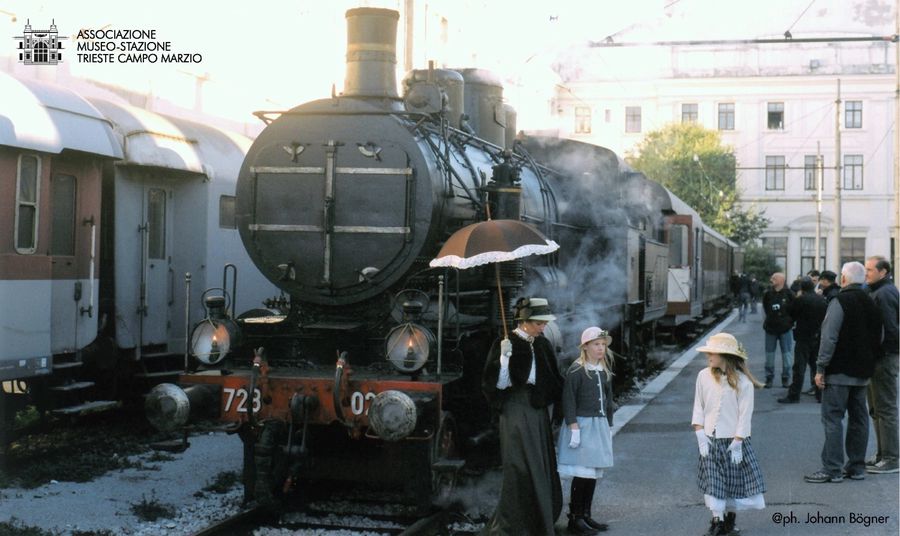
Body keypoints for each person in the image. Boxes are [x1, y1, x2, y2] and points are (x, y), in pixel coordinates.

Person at [481, 297, 564, 535]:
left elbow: (553, 379)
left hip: (536, 411)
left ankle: (539, 519)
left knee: (540, 462)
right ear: (525, 322)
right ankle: (514, 524)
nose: (544, 327)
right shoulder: (504, 343)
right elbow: (496, 385)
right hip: (514, 408)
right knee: (518, 464)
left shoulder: (542, 344)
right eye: (540, 323)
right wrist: (504, 360)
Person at [804, 262, 883, 483]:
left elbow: (829, 337)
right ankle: (857, 467)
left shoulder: (839, 301)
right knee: (859, 419)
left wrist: (820, 368)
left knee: (833, 419)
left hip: (838, 371)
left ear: (844, 279)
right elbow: (881, 336)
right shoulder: (871, 302)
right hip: (863, 373)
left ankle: (832, 469)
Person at [692, 332, 766, 536]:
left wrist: (738, 441)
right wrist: (699, 431)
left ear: (725, 355)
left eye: (712, 353)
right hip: (710, 440)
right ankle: (717, 521)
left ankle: (729, 521)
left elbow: (745, 416)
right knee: (714, 482)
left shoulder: (744, 383)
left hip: (733, 442)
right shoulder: (703, 376)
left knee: (734, 483)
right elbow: (699, 405)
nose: (708, 357)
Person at [558, 327, 616, 535]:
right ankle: (575, 518)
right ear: (586, 347)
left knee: (592, 472)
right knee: (582, 473)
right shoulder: (577, 370)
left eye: (603, 345)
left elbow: (609, 400)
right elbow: (569, 399)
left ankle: (586, 514)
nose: (601, 349)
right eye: (596, 345)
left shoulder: (603, 369)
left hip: (598, 425)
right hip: (582, 426)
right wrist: (573, 426)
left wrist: (609, 424)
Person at [864, 256, 899, 474]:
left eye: (869, 269)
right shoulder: (879, 291)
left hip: (883, 358)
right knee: (877, 409)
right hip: (878, 357)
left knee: (884, 408)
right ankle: (882, 454)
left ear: (883, 271)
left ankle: (892, 458)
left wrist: (880, 352)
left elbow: (890, 329)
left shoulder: (884, 293)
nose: (866, 273)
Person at [779, 277, 826, 403]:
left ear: (802, 288)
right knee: (816, 366)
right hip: (818, 336)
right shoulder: (821, 299)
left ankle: (794, 395)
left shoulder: (801, 300)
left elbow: (791, 313)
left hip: (803, 336)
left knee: (799, 367)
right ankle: (820, 394)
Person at [762, 272, 795, 388]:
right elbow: (766, 308)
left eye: (774, 278)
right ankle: (769, 377)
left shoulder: (789, 294)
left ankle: (785, 378)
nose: (771, 279)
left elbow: (793, 310)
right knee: (769, 355)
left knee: (787, 355)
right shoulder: (767, 294)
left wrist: (789, 322)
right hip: (770, 328)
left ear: (781, 280)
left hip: (785, 329)